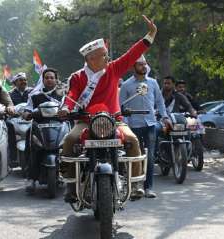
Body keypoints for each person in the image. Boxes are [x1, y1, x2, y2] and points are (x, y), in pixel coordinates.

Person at [60, 15, 158, 203]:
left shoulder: (113, 69)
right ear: (91, 58)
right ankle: (70, 185)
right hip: (86, 121)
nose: (108, 57)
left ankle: (136, 183)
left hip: (114, 119)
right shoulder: (77, 77)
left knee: (132, 139)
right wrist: (65, 108)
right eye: (104, 55)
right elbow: (71, 95)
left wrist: (150, 34)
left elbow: (132, 54)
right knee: (69, 140)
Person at [120, 55, 171, 199]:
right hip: (132, 126)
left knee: (149, 156)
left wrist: (165, 117)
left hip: (150, 124)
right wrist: (124, 125)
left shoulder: (153, 83)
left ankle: (148, 188)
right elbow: (121, 107)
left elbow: (160, 103)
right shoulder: (126, 85)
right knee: (134, 157)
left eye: (145, 64)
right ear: (133, 67)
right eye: (140, 64)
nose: (143, 66)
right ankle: (135, 186)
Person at [23, 68, 68, 193]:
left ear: (56, 80)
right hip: (40, 126)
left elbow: (70, 106)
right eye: (46, 77)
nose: (49, 80)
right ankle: (31, 177)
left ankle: (74, 176)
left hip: (60, 125)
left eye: (52, 77)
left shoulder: (63, 94)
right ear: (43, 80)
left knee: (72, 145)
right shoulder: (35, 95)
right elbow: (28, 109)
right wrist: (26, 114)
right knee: (31, 144)